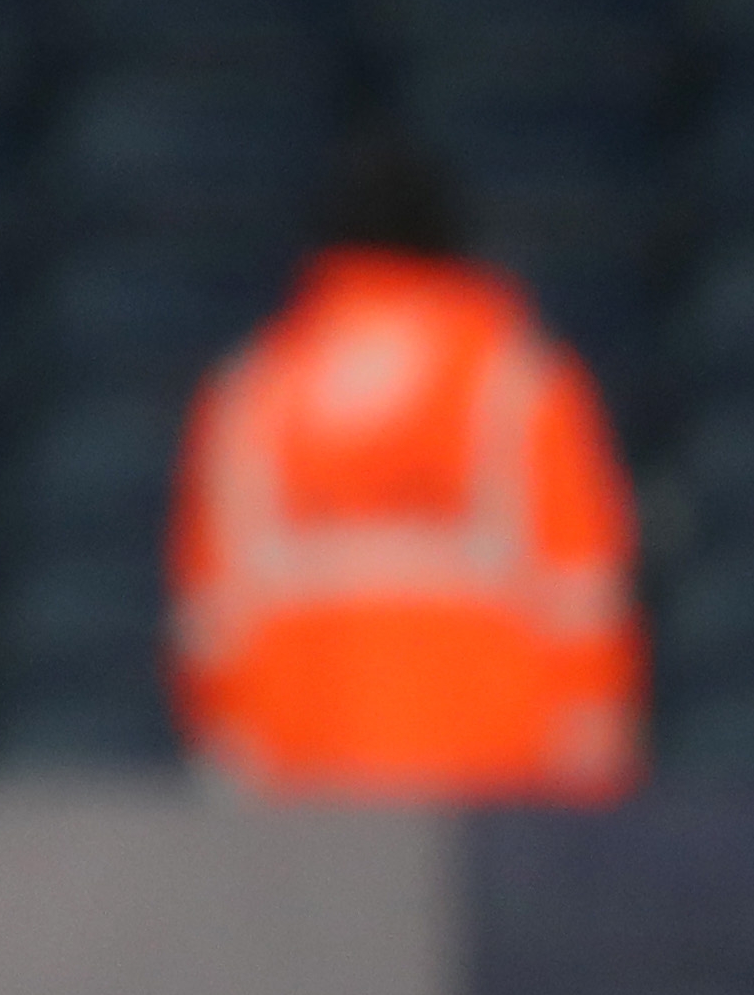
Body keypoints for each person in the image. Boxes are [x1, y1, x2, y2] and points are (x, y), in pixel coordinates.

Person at [170, 143, 641, 799]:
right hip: (492, 806)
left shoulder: (251, 393)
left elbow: (208, 632)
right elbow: (585, 605)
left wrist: (239, 801)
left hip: (304, 804)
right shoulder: (519, 383)